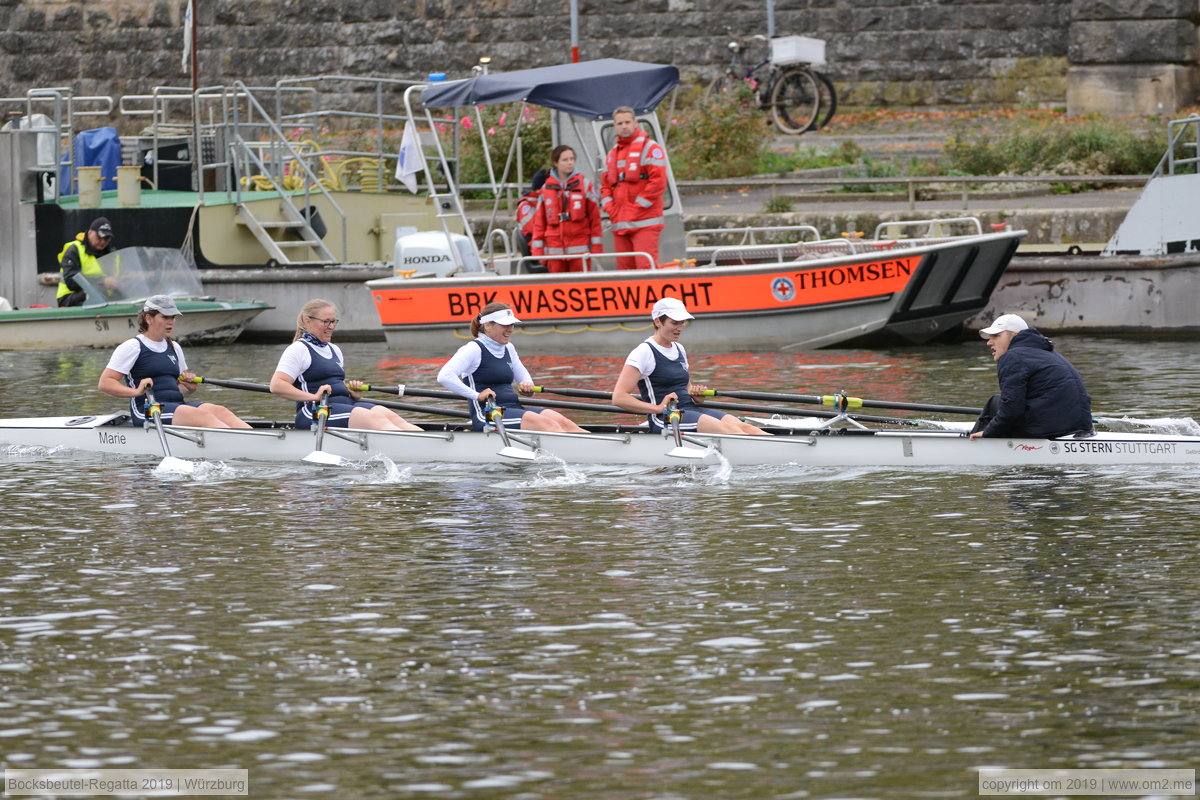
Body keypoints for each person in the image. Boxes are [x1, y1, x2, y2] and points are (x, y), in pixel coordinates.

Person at [612, 297, 768, 435]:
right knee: (732, 431)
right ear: (658, 321)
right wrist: (659, 408)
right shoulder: (644, 352)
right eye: (674, 322)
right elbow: (619, 397)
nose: (680, 327)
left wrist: (698, 396)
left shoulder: (679, 348)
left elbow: (686, 388)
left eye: (682, 322)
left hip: (692, 410)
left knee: (748, 429)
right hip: (666, 417)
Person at [97, 295, 251, 429]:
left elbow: (176, 389)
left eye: (173, 317)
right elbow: (105, 383)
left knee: (219, 411)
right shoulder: (132, 347)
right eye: (165, 317)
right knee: (202, 416)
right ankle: (237, 445)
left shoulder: (174, 347)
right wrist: (136, 392)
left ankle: (256, 440)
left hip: (177, 405)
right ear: (148, 318)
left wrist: (189, 388)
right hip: (148, 409)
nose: (170, 322)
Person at [269, 299, 422, 432]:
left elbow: (336, 383)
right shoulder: (298, 349)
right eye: (326, 322)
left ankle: (430, 445)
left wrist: (352, 393)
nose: (331, 327)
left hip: (344, 404)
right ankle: (411, 448)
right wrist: (314, 397)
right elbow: (277, 385)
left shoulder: (334, 349)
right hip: (315, 411)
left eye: (333, 321)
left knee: (387, 414)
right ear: (308, 320)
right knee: (371, 417)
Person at [438, 302, 587, 433]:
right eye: (505, 324)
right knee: (548, 425)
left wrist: (528, 387)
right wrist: (476, 395)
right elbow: (445, 376)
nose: (510, 329)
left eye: (512, 324)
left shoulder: (508, 348)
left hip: (515, 408)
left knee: (563, 423)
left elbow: (523, 377)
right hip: (489, 413)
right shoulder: (473, 349)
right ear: (488, 325)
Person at [968, 313, 1093, 440]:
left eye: (996, 336)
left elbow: (1012, 410)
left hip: (1046, 430)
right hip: (1080, 427)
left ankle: (974, 441)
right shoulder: (1052, 354)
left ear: (1014, 335)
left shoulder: (1013, 357)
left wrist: (989, 432)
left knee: (994, 402)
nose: (989, 342)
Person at [600, 106, 669, 270]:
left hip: (645, 223)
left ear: (635, 123)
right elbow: (605, 187)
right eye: (620, 123)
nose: (624, 126)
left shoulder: (650, 148)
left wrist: (635, 208)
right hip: (620, 223)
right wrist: (611, 208)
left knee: (645, 270)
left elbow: (658, 183)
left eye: (627, 122)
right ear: (615, 126)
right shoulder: (612, 155)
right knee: (625, 275)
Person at [528, 146, 603, 273]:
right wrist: (538, 252)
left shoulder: (585, 185)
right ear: (555, 163)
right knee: (557, 288)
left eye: (572, 159)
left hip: (580, 250)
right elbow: (539, 223)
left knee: (580, 288)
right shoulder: (546, 189)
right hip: (554, 250)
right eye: (565, 160)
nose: (570, 162)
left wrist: (596, 249)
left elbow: (595, 219)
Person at [57, 217, 117, 307]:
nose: (103, 241)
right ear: (89, 233)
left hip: (104, 298)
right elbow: (71, 281)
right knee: (96, 294)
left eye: (107, 238)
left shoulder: (113, 254)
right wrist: (101, 281)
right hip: (70, 298)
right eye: (99, 237)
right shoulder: (74, 250)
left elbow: (118, 278)